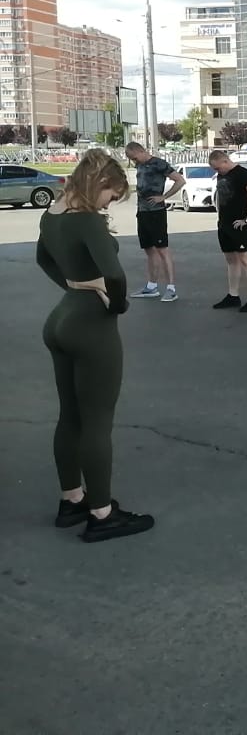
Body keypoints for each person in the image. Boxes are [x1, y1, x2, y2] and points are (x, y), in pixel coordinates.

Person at [36, 149, 154, 542]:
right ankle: (102, 514)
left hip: (61, 320)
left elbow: (43, 260)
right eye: (112, 195)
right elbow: (115, 275)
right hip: (90, 327)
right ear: (100, 183)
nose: (110, 203)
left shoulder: (52, 214)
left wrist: (73, 285)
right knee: (97, 422)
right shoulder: (86, 220)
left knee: (70, 416)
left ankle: (72, 500)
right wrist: (116, 303)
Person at [124, 141, 185, 302]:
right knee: (149, 249)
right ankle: (151, 286)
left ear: (141, 151)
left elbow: (180, 180)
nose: (134, 161)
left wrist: (164, 197)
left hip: (156, 212)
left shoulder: (159, 164)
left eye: (134, 158)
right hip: (142, 211)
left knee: (162, 249)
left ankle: (171, 288)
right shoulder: (139, 165)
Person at [209, 150, 247, 313]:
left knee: (246, 259)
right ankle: (233, 295)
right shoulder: (221, 175)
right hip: (224, 224)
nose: (217, 171)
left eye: (218, 168)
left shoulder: (242, 173)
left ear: (225, 161)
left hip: (239, 225)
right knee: (231, 260)